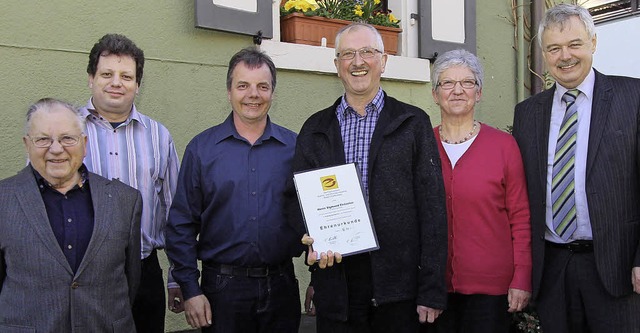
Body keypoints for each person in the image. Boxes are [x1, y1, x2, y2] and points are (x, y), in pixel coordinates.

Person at [286, 22, 448, 333]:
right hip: (337, 285)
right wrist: (310, 236)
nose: (358, 62)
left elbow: (433, 210)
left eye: (367, 52)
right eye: (348, 54)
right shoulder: (315, 128)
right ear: (337, 66)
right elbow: (296, 199)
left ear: (383, 61)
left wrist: (431, 288)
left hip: (399, 290)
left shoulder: (412, 122)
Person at [512, 4, 640, 332]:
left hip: (617, 265)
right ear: (544, 53)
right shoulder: (527, 113)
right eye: (554, 48)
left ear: (593, 43)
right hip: (553, 268)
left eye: (574, 44)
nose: (565, 56)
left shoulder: (633, 97)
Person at [166, 47, 301, 333]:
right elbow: (181, 225)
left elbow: (314, 215)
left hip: (282, 286)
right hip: (221, 291)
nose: (253, 94)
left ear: (272, 93)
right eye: (243, 85)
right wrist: (190, 289)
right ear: (229, 92)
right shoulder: (202, 150)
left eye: (262, 86)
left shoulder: (295, 149)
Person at [0, 98, 141, 332]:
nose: (56, 149)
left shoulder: (125, 200)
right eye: (43, 139)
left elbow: (131, 279)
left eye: (67, 138)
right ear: (27, 144)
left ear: (84, 144)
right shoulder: (4, 199)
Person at [421, 49, 531, 333]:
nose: (457, 90)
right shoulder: (421, 147)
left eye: (467, 83)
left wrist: (521, 277)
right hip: (434, 289)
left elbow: (520, 218)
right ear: (435, 94)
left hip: (491, 292)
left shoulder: (504, 146)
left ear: (479, 92)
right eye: (447, 83)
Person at [80, 33, 182, 332]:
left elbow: (174, 212)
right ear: (91, 78)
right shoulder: (65, 130)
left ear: (137, 84)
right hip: (81, 274)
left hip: (143, 272)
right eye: (107, 74)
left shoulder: (158, 136)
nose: (116, 82)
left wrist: (176, 277)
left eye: (126, 76)